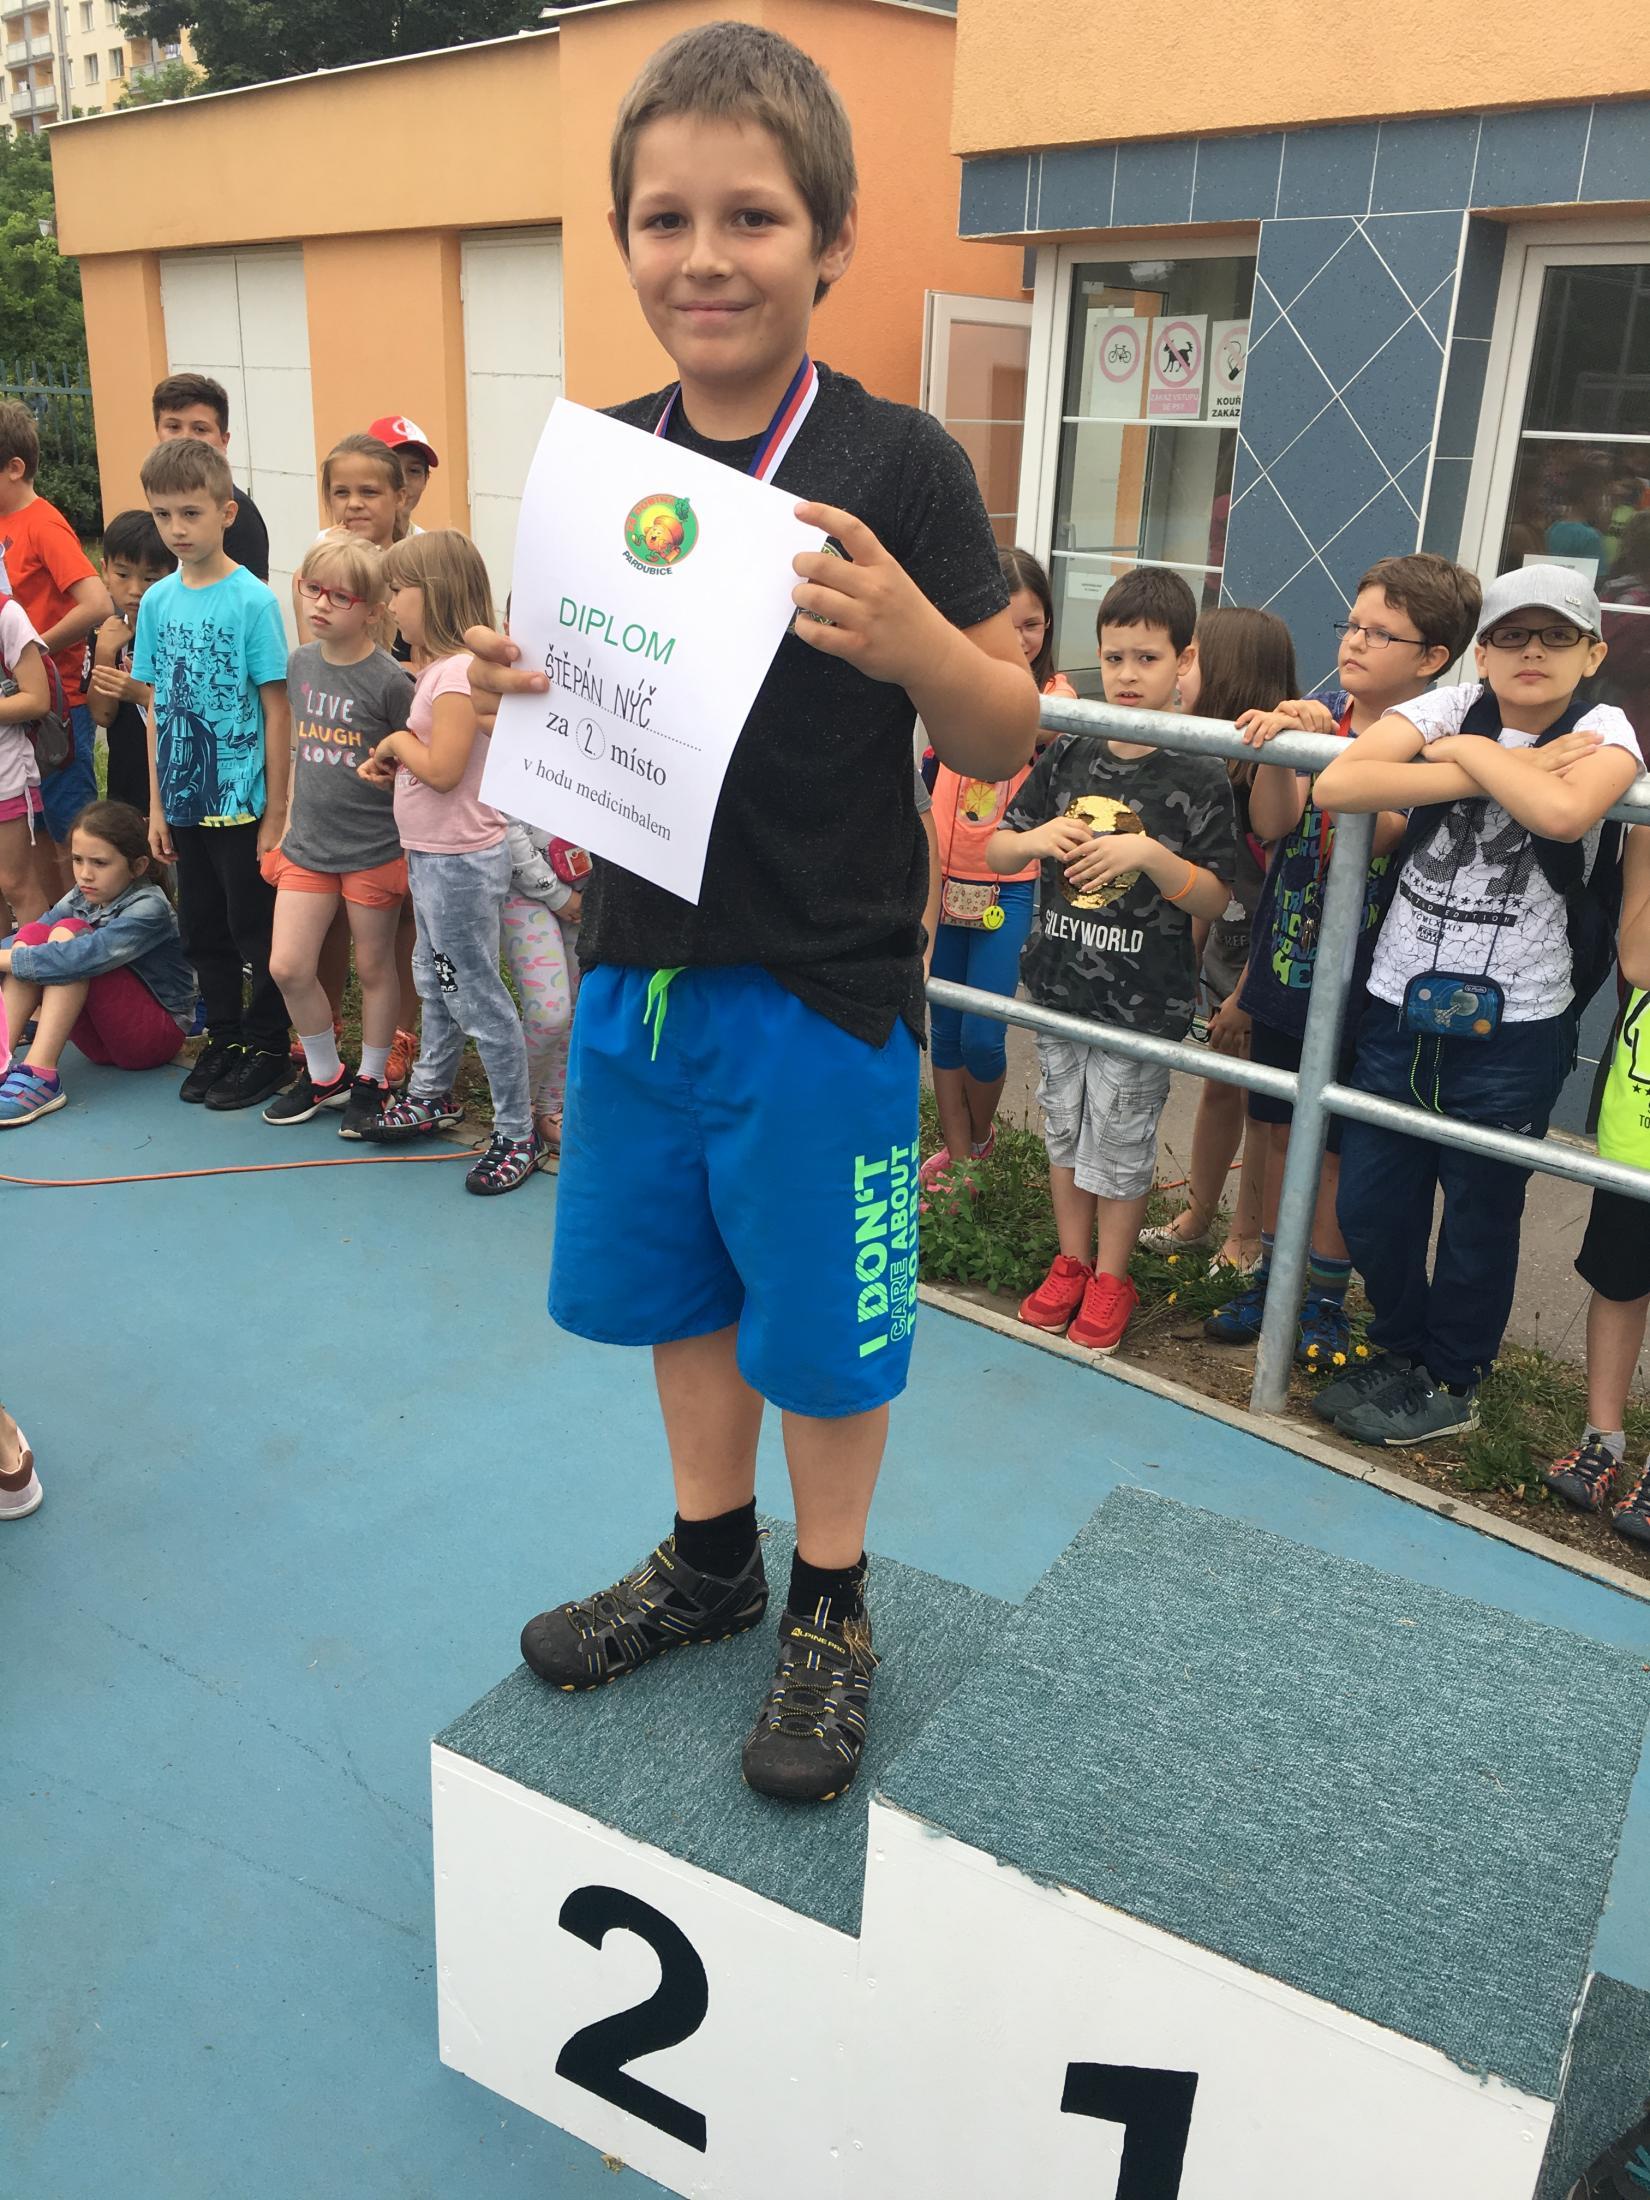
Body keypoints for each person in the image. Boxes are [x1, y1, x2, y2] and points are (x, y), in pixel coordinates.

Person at [474, 21, 1037, 1804]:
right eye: (665, 220)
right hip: (641, 972)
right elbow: (567, 700)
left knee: (827, 1329)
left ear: (832, 238)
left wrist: (921, 643)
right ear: (623, 239)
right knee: (686, 1290)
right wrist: (510, 686)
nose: (703, 257)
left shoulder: (899, 461)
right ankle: (712, 1562)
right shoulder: (604, 463)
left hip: (820, 986)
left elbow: (1001, 731)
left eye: (752, 217)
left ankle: (834, 1604)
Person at [1313, 565, 1641, 1446]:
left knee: (1478, 1217)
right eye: (1512, 636)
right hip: (1397, 1006)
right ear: (1482, 652)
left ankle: (1452, 1379)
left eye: (1557, 636)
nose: (1533, 651)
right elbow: (1338, 786)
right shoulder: (1451, 709)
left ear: (1591, 653)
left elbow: (1565, 815)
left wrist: (1467, 759)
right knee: (1372, 1203)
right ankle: (1402, 1346)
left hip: (1518, 1026)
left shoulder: (1603, 728)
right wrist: (1492, 763)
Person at [1210, 555, 1483, 1362]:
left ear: (1433, 658)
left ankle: (1323, 1299)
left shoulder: (1435, 740)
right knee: (1278, 1130)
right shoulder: (1321, 712)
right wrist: (1283, 744)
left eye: (1380, 633)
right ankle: (1269, 1277)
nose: (1355, 642)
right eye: (1353, 625)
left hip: (1371, 981)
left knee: (1337, 1149)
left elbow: (1386, 832)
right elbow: (1274, 824)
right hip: (1290, 966)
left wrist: (1334, 752)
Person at [988, 566, 1235, 1356]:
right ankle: (1071, 1261)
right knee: (1065, 1129)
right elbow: (998, 848)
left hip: (1143, 1000)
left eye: (1148, 658)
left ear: (1184, 660)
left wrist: (1151, 856)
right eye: (1115, 657)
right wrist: (1035, 839)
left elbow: (1216, 895)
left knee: (1120, 1143)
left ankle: (1112, 1276)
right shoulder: (1072, 750)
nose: (1128, 675)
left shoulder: (1199, 767)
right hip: (1059, 986)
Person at [356, 530, 538, 1195]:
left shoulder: (457, 673)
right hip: (433, 857)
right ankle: (432, 1092)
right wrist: (397, 760)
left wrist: (397, 743)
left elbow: (443, 769)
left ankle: (515, 1131)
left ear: (429, 595)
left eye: (397, 590)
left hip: (460, 863)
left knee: (477, 995)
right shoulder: (439, 673)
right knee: (435, 982)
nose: (389, 605)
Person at [135, 436, 293, 1113]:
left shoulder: (252, 601)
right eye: (163, 514)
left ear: (226, 513)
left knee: (255, 930)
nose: (176, 529)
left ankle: (269, 1046)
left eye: (191, 513)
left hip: (242, 804)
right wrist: (156, 806)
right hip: (182, 801)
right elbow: (157, 709)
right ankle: (225, 1038)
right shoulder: (155, 602)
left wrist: (277, 811)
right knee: (202, 929)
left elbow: (277, 709)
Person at [1140, 605, 1299, 1278]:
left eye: (1191, 659)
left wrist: (1245, 997)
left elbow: (1284, 904)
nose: (1179, 672)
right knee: (1218, 1089)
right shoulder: (1208, 763)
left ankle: (1246, 1237)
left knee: (1262, 1108)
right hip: (1221, 964)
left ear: (1231, 672)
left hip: (1263, 973)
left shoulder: (1270, 775)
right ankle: (1199, 1215)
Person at [922, 546, 1074, 1195]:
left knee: (984, 1037)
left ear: (1048, 625)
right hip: (942, 882)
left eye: (1030, 625)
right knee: (943, 1031)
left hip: (1005, 889)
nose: (1018, 638)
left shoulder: (1056, 696)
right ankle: (958, 1157)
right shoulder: (953, 675)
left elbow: (1035, 728)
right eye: (1003, 623)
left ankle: (980, 1141)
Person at [260, 535, 414, 1139]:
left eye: (340, 596)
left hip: (373, 849)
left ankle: (372, 1080)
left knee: (374, 967)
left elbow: (416, 761)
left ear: (372, 610)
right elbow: (302, 750)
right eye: (312, 589)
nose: (321, 604)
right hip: (309, 845)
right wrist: (284, 821)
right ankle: (326, 1075)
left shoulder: (390, 681)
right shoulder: (301, 663)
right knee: (288, 965)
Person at [298, 434, 420, 1088]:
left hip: (405, 782)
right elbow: (314, 669)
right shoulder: (325, 561)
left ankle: (403, 1033)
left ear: (403, 496)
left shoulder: (420, 561)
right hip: (338, 782)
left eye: (369, 491)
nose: (353, 504)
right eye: (340, 491)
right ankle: (330, 1030)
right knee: (330, 923)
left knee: (406, 928)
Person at [1541, 820, 1650, 1542]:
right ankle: (1602, 1439)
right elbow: (1638, 959)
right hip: (1639, 1115)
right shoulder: (1647, 825)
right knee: (1619, 1279)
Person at [0, 799, 195, 1124]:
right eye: (78, 860)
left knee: (70, 939)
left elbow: (79, 957)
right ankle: (2, 1060)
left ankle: (41, 1074)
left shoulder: (149, 907)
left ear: (138, 866)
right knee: (33, 933)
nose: (85, 874)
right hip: (101, 1042)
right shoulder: (82, 893)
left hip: (152, 1040)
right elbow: (31, 941)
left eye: (100, 863)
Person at [0, 399, 115, 903]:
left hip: (60, 707)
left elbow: (97, 602)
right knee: (36, 828)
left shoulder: (42, 524)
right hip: (17, 712)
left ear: (14, 467)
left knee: (70, 832)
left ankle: (86, 926)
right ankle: (52, 928)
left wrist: (31, 652)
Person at [500, 819, 584, 1165]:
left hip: (589, 884)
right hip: (522, 883)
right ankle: (515, 1113)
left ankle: (550, 1108)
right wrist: (556, 894)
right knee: (549, 1012)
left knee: (577, 1005)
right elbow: (503, 824)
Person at [84, 509, 177, 821]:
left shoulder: (179, 634)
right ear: (105, 571)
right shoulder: (105, 633)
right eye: (123, 575)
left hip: (175, 781)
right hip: (126, 784)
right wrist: (104, 653)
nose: (136, 589)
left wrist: (141, 695)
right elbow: (102, 715)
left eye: (150, 578)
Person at [151, 373, 270, 582]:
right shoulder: (158, 496)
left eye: (200, 429)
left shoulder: (238, 515)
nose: (185, 438)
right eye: (173, 427)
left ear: (224, 440)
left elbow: (249, 593)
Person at [0, 585, 51, 929]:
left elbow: (37, 698)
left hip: (6, 775)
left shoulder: (7, 615)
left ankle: (38, 961)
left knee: (15, 882)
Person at [367, 414, 438, 528]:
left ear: (425, 479)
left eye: (414, 471)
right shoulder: (340, 539)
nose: (403, 481)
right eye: (391, 468)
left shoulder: (427, 540)